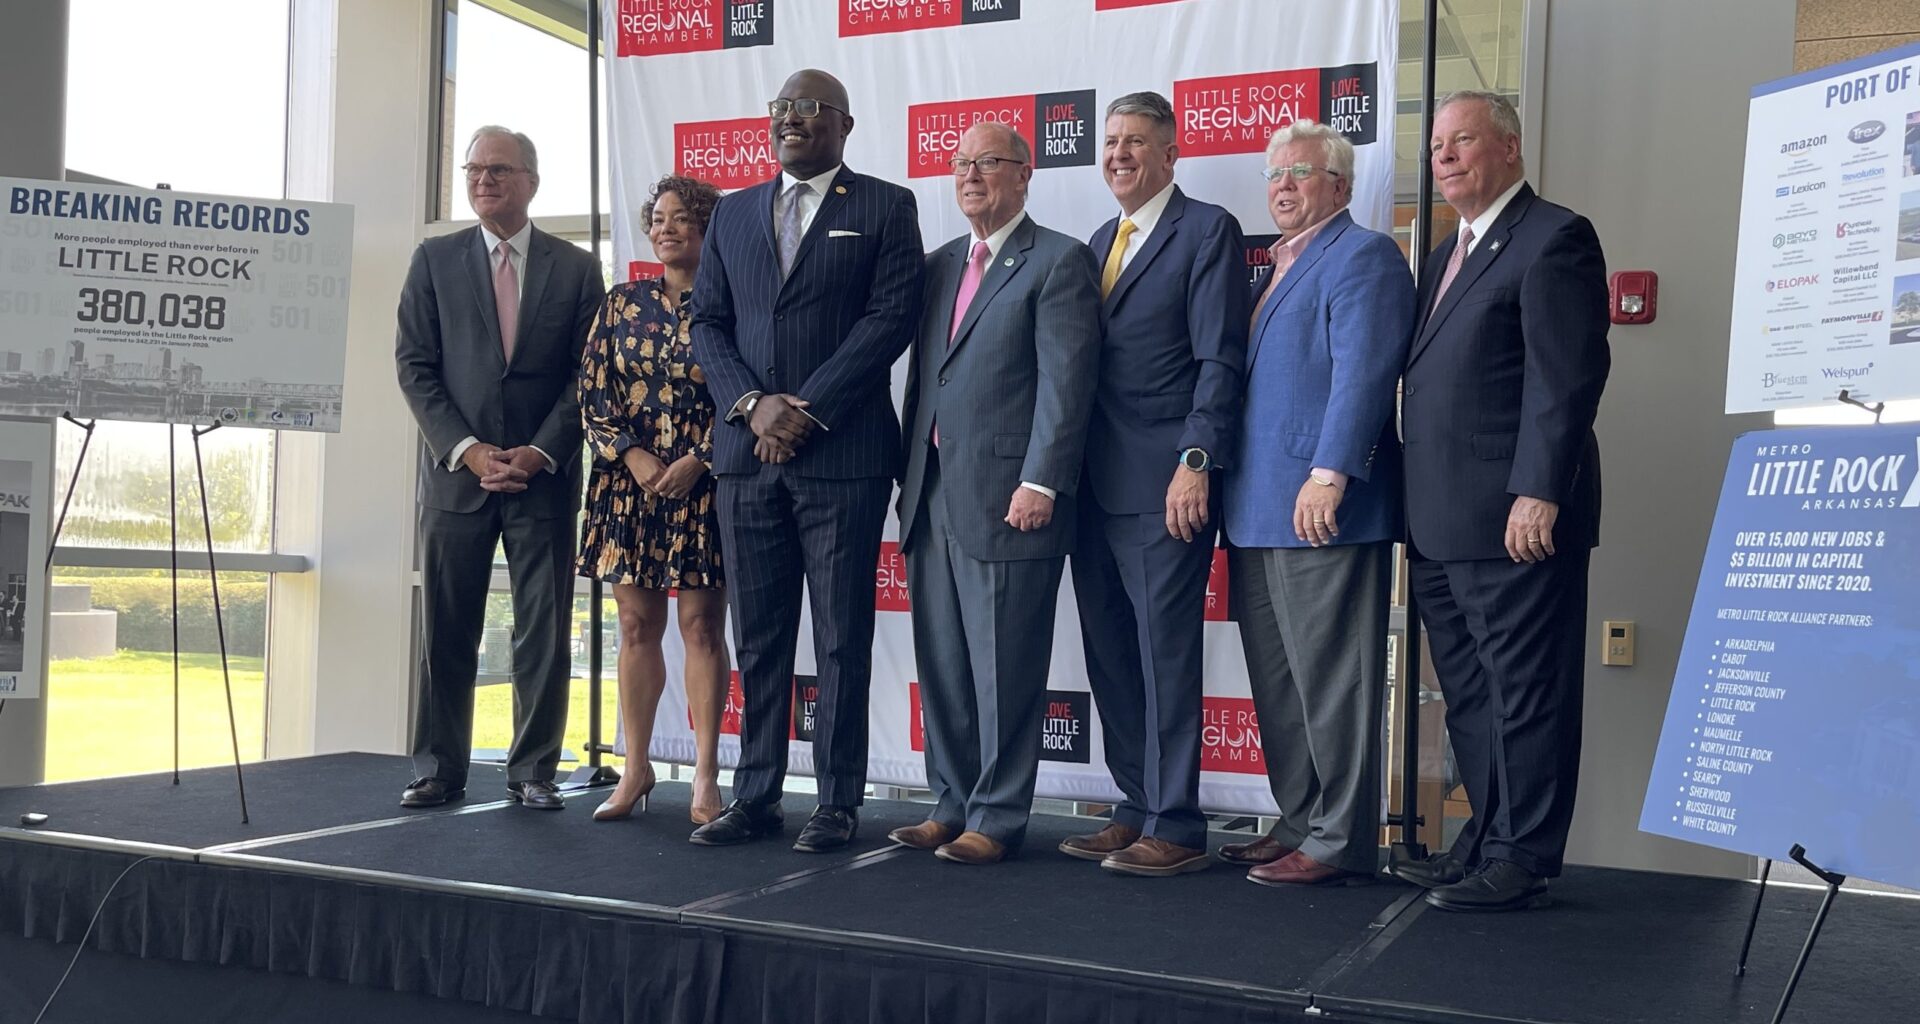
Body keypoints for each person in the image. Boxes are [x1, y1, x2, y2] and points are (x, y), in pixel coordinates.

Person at [688, 69, 924, 853]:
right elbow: (708, 323)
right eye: (782, 107)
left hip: (842, 456)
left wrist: (804, 410)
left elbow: (889, 319)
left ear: (844, 125)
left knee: (841, 638)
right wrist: (753, 406)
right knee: (758, 638)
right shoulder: (733, 212)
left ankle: (837, 800)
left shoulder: (886, 206)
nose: (792, 118)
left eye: (810, 108)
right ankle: (755, 794)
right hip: (746, 459)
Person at [1391, 91, 1610, 911]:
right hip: (1440, 522)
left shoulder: (1555, 238)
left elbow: (1566, 380)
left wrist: (1539, 492)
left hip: (1515, 520)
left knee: (1527, 692)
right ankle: (1484, 840)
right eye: (1437, 146)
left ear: (1509, 148)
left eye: (1462, 141)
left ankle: (1524, 857)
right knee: (1474, 697)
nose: (1444, 157)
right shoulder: (1443, 253)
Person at [887, 122, 1101, 866]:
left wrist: (1041, 479)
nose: (970, 175)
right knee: (944, 661)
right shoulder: (940, 263)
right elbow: (927, 378)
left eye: (986, 162)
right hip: (931, 491)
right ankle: (949, 803)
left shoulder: (1059, 260)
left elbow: (1066, 383)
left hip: (1010, 495)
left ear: (1023, 173)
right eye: (959, 164)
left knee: (1005, 664)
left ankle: (998, 815)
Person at [1218, 121, 1415, 887]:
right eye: (1274, 174)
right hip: (1255, 507)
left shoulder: (1363, 255)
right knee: (1282, 686)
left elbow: (1364, 372)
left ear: (1340, 184)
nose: (1283, 186)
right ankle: (1300, 819)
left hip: (1320, 506)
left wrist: (1330, 473)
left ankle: (1338, 841)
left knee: (1334, 683)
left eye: (1299, 172)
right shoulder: (1272, 270)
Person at [1061, 91, 1250, 877]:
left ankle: (1175, 823)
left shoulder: (1206, 230)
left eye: (1135, 142)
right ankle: (1135, 804)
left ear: (1171, 154)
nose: (1118, 154)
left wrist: (1195, 461)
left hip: (1164, 483)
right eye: (1110, 142)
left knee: (1164, 654)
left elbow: (1219, 359)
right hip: (1091, 486)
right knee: (1111, 655)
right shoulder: (1100, 239)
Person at [396, 126, 607, 811]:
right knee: (446, 629)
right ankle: (438, 769)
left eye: (499, 170)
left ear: (531, 182)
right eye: (474, 170)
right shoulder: (434, 260)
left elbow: (588, 376)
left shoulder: (576, 269)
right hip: (457, 478)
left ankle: (534, 770)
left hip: (543, 478)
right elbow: (415, 367)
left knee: (543, 632)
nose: (483, 180)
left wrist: (541, 451)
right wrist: (470, 449)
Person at [576, 175, 730, 825]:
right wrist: (634, 456)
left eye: (681, 218)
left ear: (707, 228)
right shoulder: (621, 303)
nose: (666, 228)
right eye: (658, 219)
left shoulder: (733, 300)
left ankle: (705, 775)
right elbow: (593, 391)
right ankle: (636, 768)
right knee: (636, 625)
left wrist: (701, 459)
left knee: (702, 628)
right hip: (628, 486)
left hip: (705, 486)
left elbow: (747, 392)